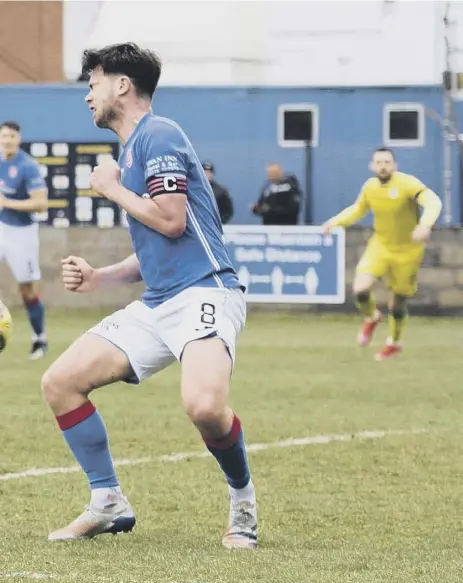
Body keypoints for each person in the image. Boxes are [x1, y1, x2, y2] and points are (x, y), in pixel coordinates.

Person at [41, 42, 257, 549]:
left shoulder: (157, 135)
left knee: (205, 408)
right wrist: (100, 277)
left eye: (93, 83)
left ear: (122, 84)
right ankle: (108, 501)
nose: (87, 95)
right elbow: (159, 246)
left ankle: (243, 501)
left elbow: (171, 219)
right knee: (61, 382)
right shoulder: (133, 148)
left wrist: (112, 189)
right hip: (159, 301)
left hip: (207, 291)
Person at [323, 147, 442, 360]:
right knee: (360, 288)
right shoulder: (370, 187)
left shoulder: (407, 183)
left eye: (387, 162)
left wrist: (425, 224)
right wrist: (335, 222)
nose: (383, 166)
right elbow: (357, 210)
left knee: (397, 303)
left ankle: (394, 342)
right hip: (380, 246)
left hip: (408, 251)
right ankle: (372, 317)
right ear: (372, 166)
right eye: (378, 162)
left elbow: (433, 201)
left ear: (395, 165)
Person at [0, 121, 48, 359]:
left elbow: (40, 204)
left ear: (18, 139)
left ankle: (39, 339)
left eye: (11, 136)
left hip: (22, 233)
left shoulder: (27, 166)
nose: (7, 140)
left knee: (26, 290)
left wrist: (6, 203)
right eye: (3, 136)